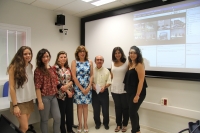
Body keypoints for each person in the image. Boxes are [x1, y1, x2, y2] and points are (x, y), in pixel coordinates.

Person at [8, 46, 36, 133]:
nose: (28, 55)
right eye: (25, 54)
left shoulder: (30, 66)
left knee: (22, 127)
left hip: (29, 99)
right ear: (20, 55)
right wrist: (15, 106)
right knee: (25, 127)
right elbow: (12, 87)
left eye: (29, 54)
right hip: (19, 102)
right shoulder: (13, 67)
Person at [34, 48, 61, 133]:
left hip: (53, 97)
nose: (46, 58)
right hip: (44, 98)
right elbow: (37, 87)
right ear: (40, 58)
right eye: (43, 57)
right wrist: (40, 101)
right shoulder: (38, 70)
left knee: (57, 117)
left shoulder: (52, 69)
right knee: (45, 119)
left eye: (47, 56)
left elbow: (56, 82)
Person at [123, 46, 147, 133]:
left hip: (138, 93)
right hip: (130, 92)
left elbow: (141, 81)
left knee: (132, 113)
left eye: (134, 53)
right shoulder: (130, 64)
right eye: (130, 53)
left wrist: (137, 96)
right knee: (133, 112)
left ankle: (134, 130)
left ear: (137, 54)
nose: (132, 55)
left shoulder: (139, 65)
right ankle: (137, 130)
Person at [71, 45, 93, 133]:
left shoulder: (90, 62)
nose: (82, 53)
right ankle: (80, 124)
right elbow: (74, 76)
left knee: (86, 106)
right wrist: (81, 88)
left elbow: (91, 75)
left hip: (88, 87)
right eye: (80, 51)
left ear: (86, 53)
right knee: (79, 106)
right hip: (78, 87)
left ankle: (85, 124)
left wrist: (88, 87)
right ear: (77, 53)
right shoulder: (74, 62)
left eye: (83, 51)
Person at [53, 51, 75, 133]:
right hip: (60, 95)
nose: (63, 58)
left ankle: (70, 129)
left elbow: (72, 79)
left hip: (70, 94)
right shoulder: (54, 68)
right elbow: (56, 81)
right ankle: (63, 130)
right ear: (58, 58)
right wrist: (66, 90)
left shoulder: (68, 68)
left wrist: (68, 86)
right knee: (62, 114)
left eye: (65, 57)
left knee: (69, 113)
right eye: (61, 57)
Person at [110, 47, 129, 132]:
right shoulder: (112, 63)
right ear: (114, 54)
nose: (117, 54)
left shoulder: (127, 63)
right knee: (117, 107)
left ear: (122, 53)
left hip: (124, 89)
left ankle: (125, 124)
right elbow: (111, 75)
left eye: (119, 53)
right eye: (115, 53)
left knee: (125, 107)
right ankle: (118, 124)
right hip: (114, 88)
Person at [92, 55, 111, 130]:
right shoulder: (92, 70)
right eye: (97, 59)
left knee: (105, 110)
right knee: (96, 110)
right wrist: (93, 84)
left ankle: (106, 123)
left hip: (104, 92)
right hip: (94, 92)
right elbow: (91, 81)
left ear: (103, 61)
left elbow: (109, 82)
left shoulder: (107, 71)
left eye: (101, 60)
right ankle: (97, 123)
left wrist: (104, 87)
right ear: (95, 61)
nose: (99, 61)